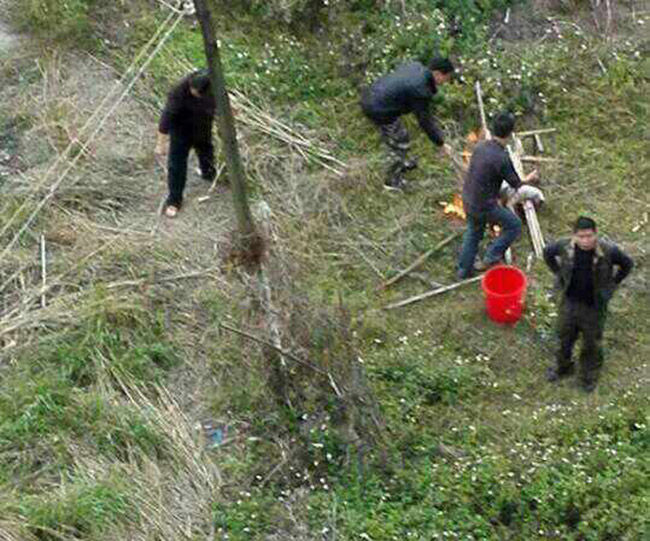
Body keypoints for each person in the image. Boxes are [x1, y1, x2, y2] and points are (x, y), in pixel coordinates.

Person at [543, 217, 633, 392]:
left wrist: (612, 285)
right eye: (581, 236)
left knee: (592, 344)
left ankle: (588, 377)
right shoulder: (564, 247)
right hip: (569, 302)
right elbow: (547, 253)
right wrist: (559, 274)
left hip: (594, 306)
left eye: (589, 236)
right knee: (564, 337)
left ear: (596, 234)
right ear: (574, 236)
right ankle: (563, 367)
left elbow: (627, 264)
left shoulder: (608, 251)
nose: (585, 241)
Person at [457, 111, 539, 279]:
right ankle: (491, 257)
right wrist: (530, 178)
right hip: (484, 206)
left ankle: (463, 271)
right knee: (514, 225)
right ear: (510, 134)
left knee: (473, 232)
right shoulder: (502, 158)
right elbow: (517, 184)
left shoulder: (480, 147)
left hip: (467, 198)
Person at [360, 57, 455, 191]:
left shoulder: (416, 66)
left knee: (399, 134)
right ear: (437, 73)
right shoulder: (420, 89)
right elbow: (424, 120)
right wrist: (441, 143)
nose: (446, 82)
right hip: (377, 107)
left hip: (372, 94)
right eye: (446, 78)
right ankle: (392, 181)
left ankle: (401, 162)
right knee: (400, 142)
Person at [155, 70, 217, 218]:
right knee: (177, 165)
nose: (193, 93)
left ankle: (209, 173)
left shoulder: (214, 86)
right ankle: (174, 200)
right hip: (181, 132)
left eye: (197, 92)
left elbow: (222, 101)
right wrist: (161, 144)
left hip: (203, 126)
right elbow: (165, 121)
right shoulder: (179, 93)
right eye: (193, 90)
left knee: (206, 151)